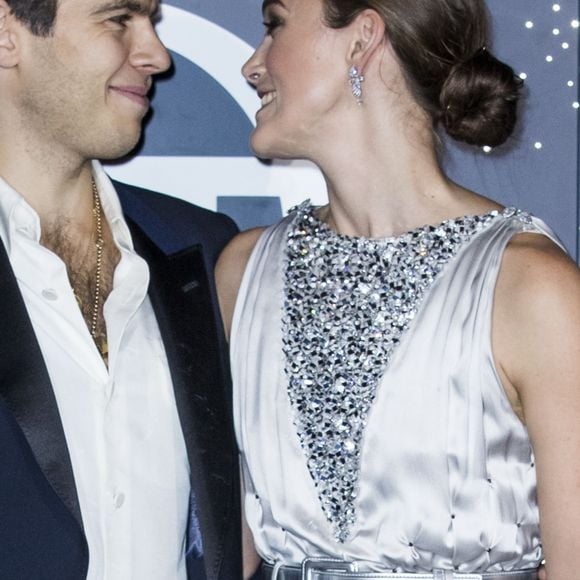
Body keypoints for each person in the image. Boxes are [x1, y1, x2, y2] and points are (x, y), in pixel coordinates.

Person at [216, 0, 580, 579]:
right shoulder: (243, 272)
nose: (253, 65)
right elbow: (220, 548)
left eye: (275, 24)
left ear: (362, 38)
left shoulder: (530, 287)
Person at [0, 0, 241, 578]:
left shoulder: (204, 250)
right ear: (8, 34)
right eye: (118, 19)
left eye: (152, 21)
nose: (156, 54)